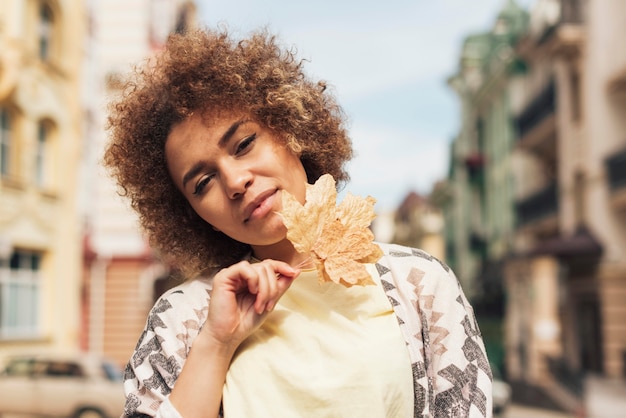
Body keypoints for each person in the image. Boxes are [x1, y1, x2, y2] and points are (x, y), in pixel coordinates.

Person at [104, 27, 493, 418]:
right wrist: (217, 342)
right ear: (193, 215)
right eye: (204, 182)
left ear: (290, 128)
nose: (236, 181)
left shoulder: (419, 284)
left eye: (243, 145)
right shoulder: (183, 316)